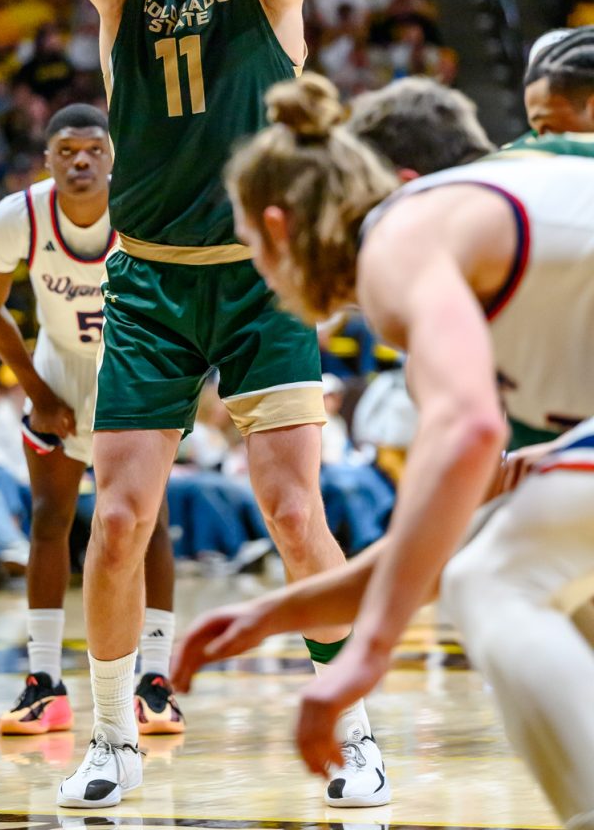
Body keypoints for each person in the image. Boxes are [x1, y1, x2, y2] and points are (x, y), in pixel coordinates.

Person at [44, 0, 386, 808]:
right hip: (144, 283)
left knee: (295, 515)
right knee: (119, 524)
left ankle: (351, 734)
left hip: (258, 281)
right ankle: (109, 740)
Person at [171, 71, 594, 830]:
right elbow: (443, 538)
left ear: (277, 227)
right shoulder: (515, 278)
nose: (259, 280)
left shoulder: (398, 235)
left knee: (496, 584)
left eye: (249, 252)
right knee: (544, 572)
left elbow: (468, 433)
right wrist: (279, 610)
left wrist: (367, 654)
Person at [0, 105, 183, 737]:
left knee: (153, 525)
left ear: (113, 157)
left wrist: (176, 380)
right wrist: (36, 391)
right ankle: (44, 682)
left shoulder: (143, 206)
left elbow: (179, 296)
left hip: (134, 373)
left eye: (94, 149)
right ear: (48, 158)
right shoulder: (19, 216)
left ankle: (156, 680)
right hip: (58, 371)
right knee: (48, 520)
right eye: (67, 150)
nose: (81, 160)